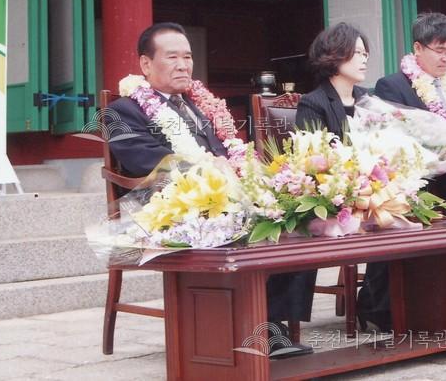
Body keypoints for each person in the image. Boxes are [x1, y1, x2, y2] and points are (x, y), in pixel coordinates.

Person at [107, 23, 314, 356]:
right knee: (246, 224)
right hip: (168, 206)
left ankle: (272, 322)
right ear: (146, 64)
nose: (183, 65)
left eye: (187, 57)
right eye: (172, 57)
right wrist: (206, 170)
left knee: (294, 216)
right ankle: (250, 329)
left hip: (223, 197)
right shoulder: (122, 111)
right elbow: (144, 162)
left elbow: (227, 152)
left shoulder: (197, 104)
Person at [358, 12, 446, 331]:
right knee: (395, 204)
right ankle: (378, 304)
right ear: (418, 48)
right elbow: (396, 139)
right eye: (439, 50)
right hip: (415, 179)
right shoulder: (392, 85)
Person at [295, 23, 370, 135]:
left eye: (365, 54)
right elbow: (314, 145)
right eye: (357, 52)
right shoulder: (312, 104)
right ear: (334, 54)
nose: (364, 60)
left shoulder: (366, 98)